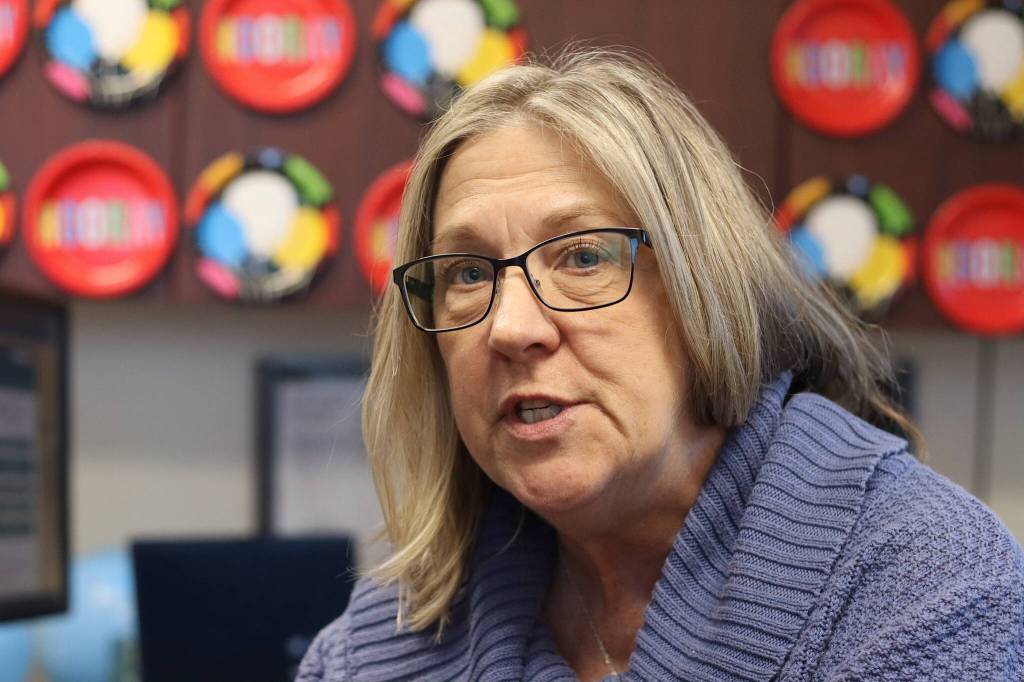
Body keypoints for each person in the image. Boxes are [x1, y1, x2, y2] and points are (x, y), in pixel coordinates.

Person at [297, 50, 1024, 681]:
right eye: (465, 273)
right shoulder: (389, 637)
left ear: (701, 285)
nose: (510, 328)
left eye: (582, 256)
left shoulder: (921, 580)